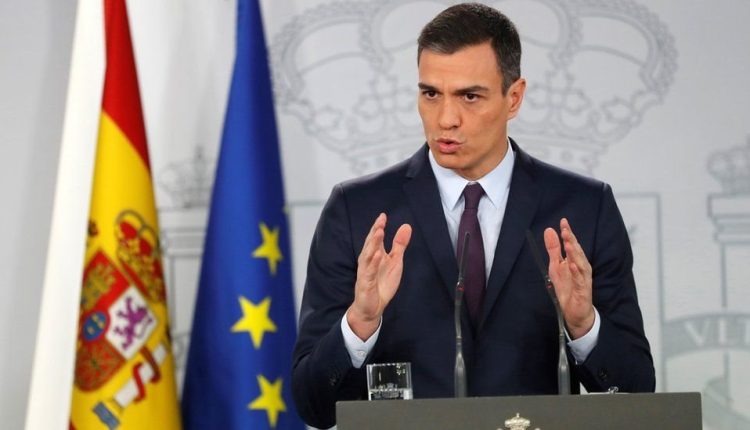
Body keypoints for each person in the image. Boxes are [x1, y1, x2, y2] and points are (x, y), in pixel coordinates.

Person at [291, 3, 655, 428]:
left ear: (513, 97)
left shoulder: (582, 209)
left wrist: (583, 326)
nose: (446, 119)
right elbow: (313, 406)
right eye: (431, 94)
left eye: (470, 96)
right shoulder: (359, 212)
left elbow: (638, 393)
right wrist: (360, 324)